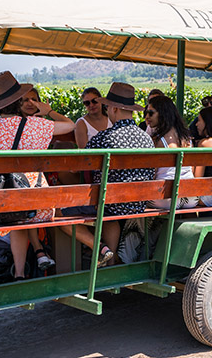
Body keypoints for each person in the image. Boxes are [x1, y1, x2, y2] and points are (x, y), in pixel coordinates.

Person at [0, 71, 75, 279]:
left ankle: (19, 273)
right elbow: (71, 125)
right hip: (41, 203)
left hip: (5, 205)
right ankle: (38, 255)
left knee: (16, 211)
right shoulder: (36, 125)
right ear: (18, 101)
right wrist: (49, 110)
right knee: (24, 207)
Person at [62, 82, 156, 266]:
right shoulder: (146, 138)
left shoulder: (104, 138)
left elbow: (82, 164)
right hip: (140, 202)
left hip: (111, 204)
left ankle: (102, 251)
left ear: (113, 109)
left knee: (62, 214)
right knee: (109, 206)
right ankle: (109, 259)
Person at [143, 95, 198, 210]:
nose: (146, 117)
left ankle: (141, 229)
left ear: (162, 114)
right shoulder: (186, 138)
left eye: (150, 113)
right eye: (145, 113)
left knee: (137, 199)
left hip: (166, 197)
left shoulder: (158, 141)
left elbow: (152, 173)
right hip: (191, 196)